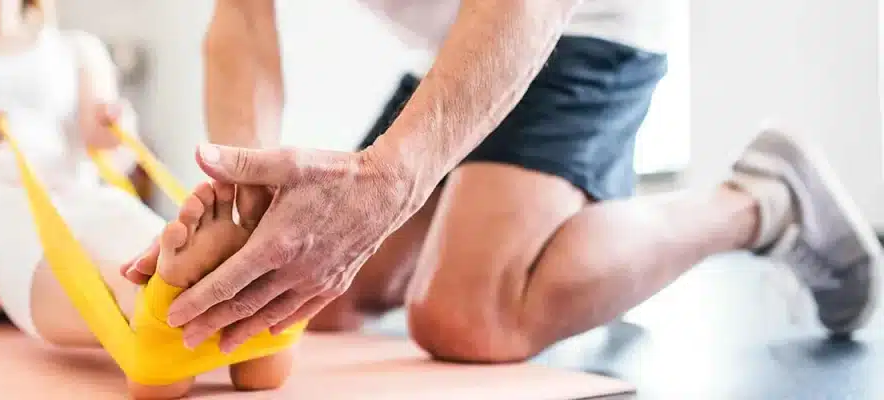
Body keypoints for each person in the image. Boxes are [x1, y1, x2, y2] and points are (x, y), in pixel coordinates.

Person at [125, 0, 881, 364]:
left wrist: (395, 178)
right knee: (321, 297)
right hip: (458, 42)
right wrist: (245, 193)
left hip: (587, 20)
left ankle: (762, 200)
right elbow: (243, 23)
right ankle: (544, 228)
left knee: (468, 319)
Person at [0, 0, 290, 398]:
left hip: (70, 191)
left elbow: (115, 158)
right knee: (13, 225)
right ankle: (155, 309)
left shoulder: (76, 49)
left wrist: (113, 129)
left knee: (119, 213)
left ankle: (203, 301)